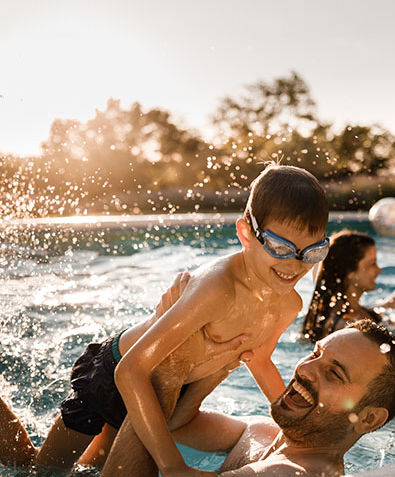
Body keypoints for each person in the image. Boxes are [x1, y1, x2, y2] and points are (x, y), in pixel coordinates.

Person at [1, 164, 330, 475]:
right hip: (110, 375)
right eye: (279, 247)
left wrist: (300, 430)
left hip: (160, 393)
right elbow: (131, 370)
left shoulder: (288, 305)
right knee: (41, 470)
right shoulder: (219, 287)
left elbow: (259, 360)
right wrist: (172, 466)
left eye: (312, 251)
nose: (295, 265)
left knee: (88, 470)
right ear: (246, 234)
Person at [101, 320, 395, 477]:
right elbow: (172, 426)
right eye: (315, 354)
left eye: (334, 373)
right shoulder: (261, 431)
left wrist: (173, 365)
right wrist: (222, 362)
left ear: (368, 419)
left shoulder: (292, 474)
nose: (305, 370)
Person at [302, 231, 382, 342]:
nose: (379, 270)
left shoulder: (365, 312)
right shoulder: (343, 327)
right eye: (372, 263)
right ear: (350, 273)